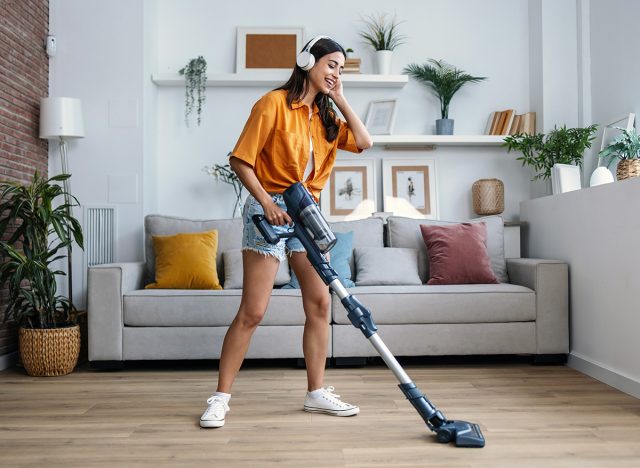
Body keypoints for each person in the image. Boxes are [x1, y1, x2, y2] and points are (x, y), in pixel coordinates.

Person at [200, 36, 373, 428]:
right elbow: (240, 160)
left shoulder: (327, 119)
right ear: (306, 61)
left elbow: (365, 141)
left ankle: (316, 393)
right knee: (253, 311)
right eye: (331, 64)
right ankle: (220, 398)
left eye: (341, 69)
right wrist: (266, 203)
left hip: (307, 212)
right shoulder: (272, 104)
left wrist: (341, 98)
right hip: (270, 208)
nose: (335, 73)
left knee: (320, 304)